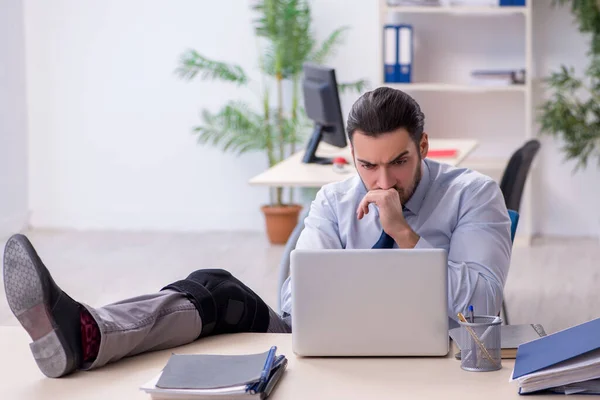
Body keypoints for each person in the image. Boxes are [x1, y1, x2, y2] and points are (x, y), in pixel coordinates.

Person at [2, 87, 511, 379]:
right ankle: (85, 333)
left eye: (399, 162)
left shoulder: (474, 195)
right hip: (329, 349)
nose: (382, 183)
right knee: (217, 289)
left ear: (424, 145)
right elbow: (295, 297)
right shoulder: (335, 200)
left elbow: (485, 303)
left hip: (440, 356)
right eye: (367, 166)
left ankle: (84, 334)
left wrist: (404, 237)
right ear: (352, 157)